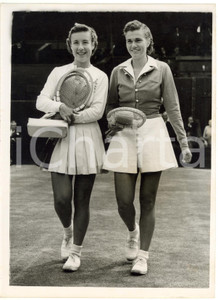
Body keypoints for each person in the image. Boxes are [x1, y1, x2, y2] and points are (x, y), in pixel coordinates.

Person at [103, 20, 192, 275]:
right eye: (129, 40)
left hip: (154, 131)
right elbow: (110, 106)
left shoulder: (162, 68)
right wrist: (113, 119)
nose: (134, 45)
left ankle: (142, 255)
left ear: (148, 41)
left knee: (148, 199)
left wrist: (184, 143)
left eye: (138, 40)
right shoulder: (117, 71)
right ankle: (133, 232)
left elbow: (173, 107)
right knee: (123, 201)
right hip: (124, 137)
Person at [36, 23, 108, 271]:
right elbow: (41, 100)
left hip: (88, 138)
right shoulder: (58, 71)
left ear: (93, 45)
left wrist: (73, 116)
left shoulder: (101, 76)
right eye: (76, 42)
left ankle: (76, 252)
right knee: (62, 200)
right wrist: (59, 108)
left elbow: (97, 111)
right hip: (61, 138)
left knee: (82, 200)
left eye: (85, 42)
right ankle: (67, 232)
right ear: (70, 45)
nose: (81, 47)